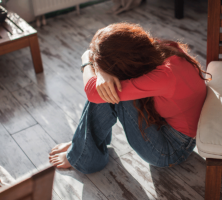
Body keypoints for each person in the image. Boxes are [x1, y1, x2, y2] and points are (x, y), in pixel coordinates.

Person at [48, 23, 211, 174]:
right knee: (108, 89)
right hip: (173, 130)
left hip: (172, 149)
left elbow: (93, 93)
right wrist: (103, 71)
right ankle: (84, 144)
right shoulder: (157, 50)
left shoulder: (165, 76)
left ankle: (86, 155)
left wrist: (86, 61)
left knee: (107, 91)